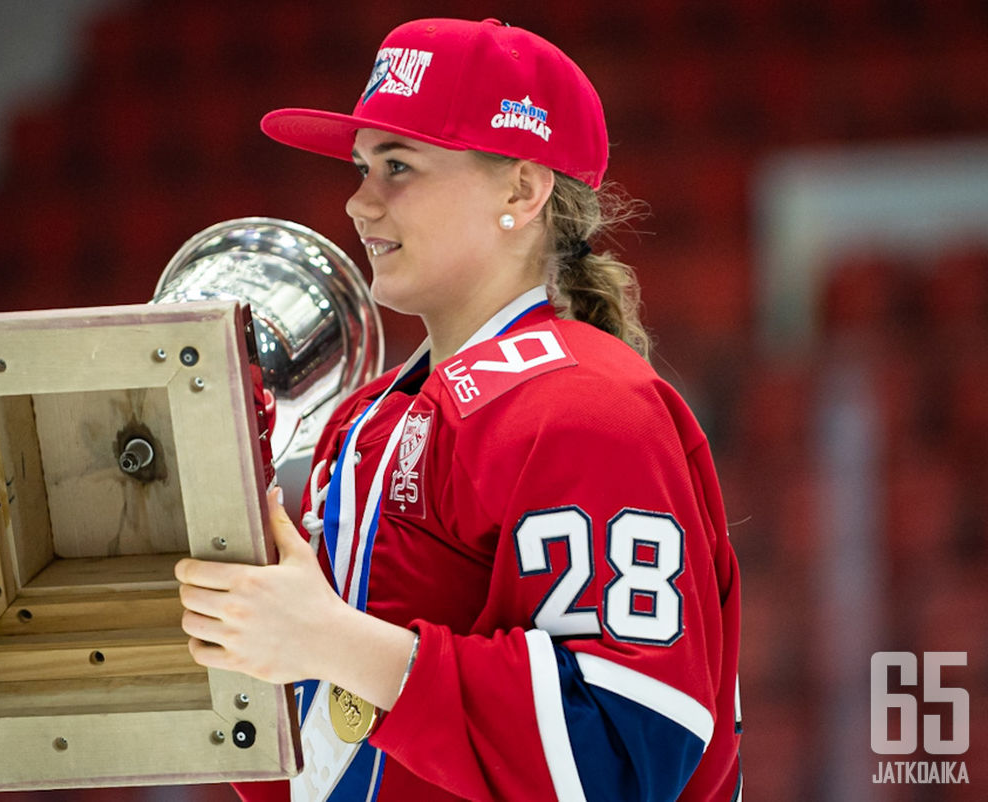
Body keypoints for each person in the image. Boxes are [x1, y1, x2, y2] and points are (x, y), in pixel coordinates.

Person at [175, 17, 742, 802]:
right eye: (361, 166)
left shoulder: (588, 407)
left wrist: (330, 640)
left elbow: (619, 756)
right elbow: (328, 758)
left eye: (397, 166)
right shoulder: (364, 419)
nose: (357, 203)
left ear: (521, 187)